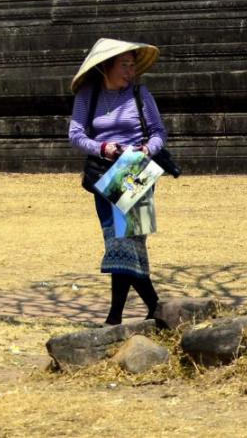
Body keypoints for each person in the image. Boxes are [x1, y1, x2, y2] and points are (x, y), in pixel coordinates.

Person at [68, 37, 166, 325]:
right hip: (105, 170)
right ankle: (153, 307)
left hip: (136, 169)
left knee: (127, 243)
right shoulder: (89, 94)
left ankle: (116, 317)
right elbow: (75, 135)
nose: (129, 71)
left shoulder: (140, 94)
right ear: (106, 67)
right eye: (123, 65)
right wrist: (103, 147)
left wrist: (147, 149)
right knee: (118, 243)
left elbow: (160, 132)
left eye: (132, 65)